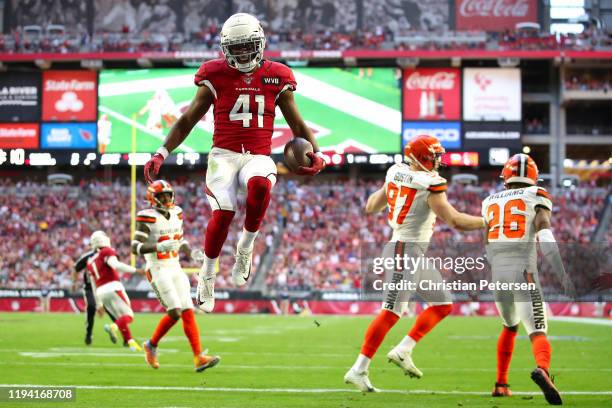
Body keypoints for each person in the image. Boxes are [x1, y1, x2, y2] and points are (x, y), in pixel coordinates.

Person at [143, 13, 326, 313]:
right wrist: (162, 151)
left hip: (258, 155)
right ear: (226, 49)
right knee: (225, 213)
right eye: (236, 47)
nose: (242, 53)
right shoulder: (214, 74)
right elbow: (188, 119)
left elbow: (298, 125)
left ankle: (246, 247)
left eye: (247, 46)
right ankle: (207, 275)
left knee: (260, 184)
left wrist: (318, 153)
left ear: (260, 44)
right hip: (223, 156)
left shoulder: (277, 75)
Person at [344, 135, 485, 392]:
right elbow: (455, 221)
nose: (438, 161)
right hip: (403, 251)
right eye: (434, 156)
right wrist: (488, 221)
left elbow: (370, 206)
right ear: (422, 158)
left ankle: (403, 350)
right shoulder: (429, 182)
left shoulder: (396, 171)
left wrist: (396, 195)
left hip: (410, 250)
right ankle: (358, 369)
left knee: (442, 304)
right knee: (391, 312)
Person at [482, 153, 573, 405]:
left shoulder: (489, 201)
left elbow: (487, 242)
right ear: (533, 177)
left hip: (498, 273)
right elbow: (544, 231)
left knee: (509, 326)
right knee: (537, 330)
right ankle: (542, 369)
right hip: (523, 272)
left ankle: (501, 384)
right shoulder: (536, 195)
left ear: (506, 177)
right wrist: (561, 272)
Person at [132, 180, 220, 372]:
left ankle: (198, 358)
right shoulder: (146, 217)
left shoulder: (177, 212)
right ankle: (151, 344)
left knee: (188, 310)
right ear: (152, 198)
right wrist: (158, 246)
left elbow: (180, 239)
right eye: (161, 196)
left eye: (167, 195)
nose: (165, 198)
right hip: (157, 268)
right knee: (174, 311)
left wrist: (191, 253)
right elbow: (135, 247)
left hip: (175, 267)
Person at [86, 230, 144, 352]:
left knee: (120, 317)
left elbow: (93, 284)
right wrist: (136, 271)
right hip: (113, 287)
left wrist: (99, 304)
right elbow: (115, 265)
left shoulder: (90, 261)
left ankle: (131, 342)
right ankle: (114, 326)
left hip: (101, 292)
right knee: (128, 316)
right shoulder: (106, 251)